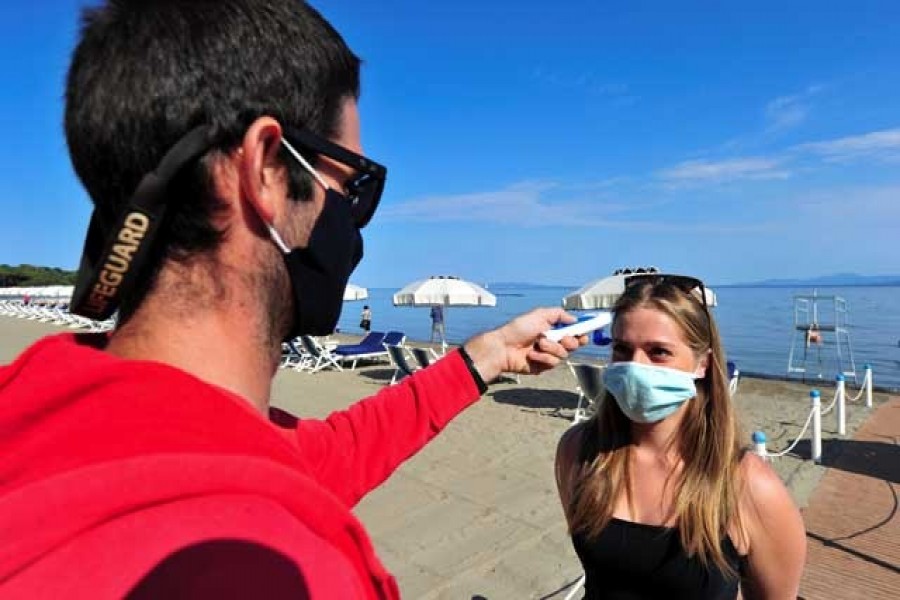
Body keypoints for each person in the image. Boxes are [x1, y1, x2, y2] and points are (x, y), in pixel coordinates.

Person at [0, 1, 586, 598]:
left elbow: (319, 456)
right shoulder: (272, 566)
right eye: (350, 185)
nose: (354, 221)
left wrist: (483, 356)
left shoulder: (53, 413)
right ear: (269, 173)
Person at [555, 275, 806, 599]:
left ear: (702, 363)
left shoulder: (748, 485)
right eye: (622, 349)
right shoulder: (580, 452)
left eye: (658, 352)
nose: (635, 366)